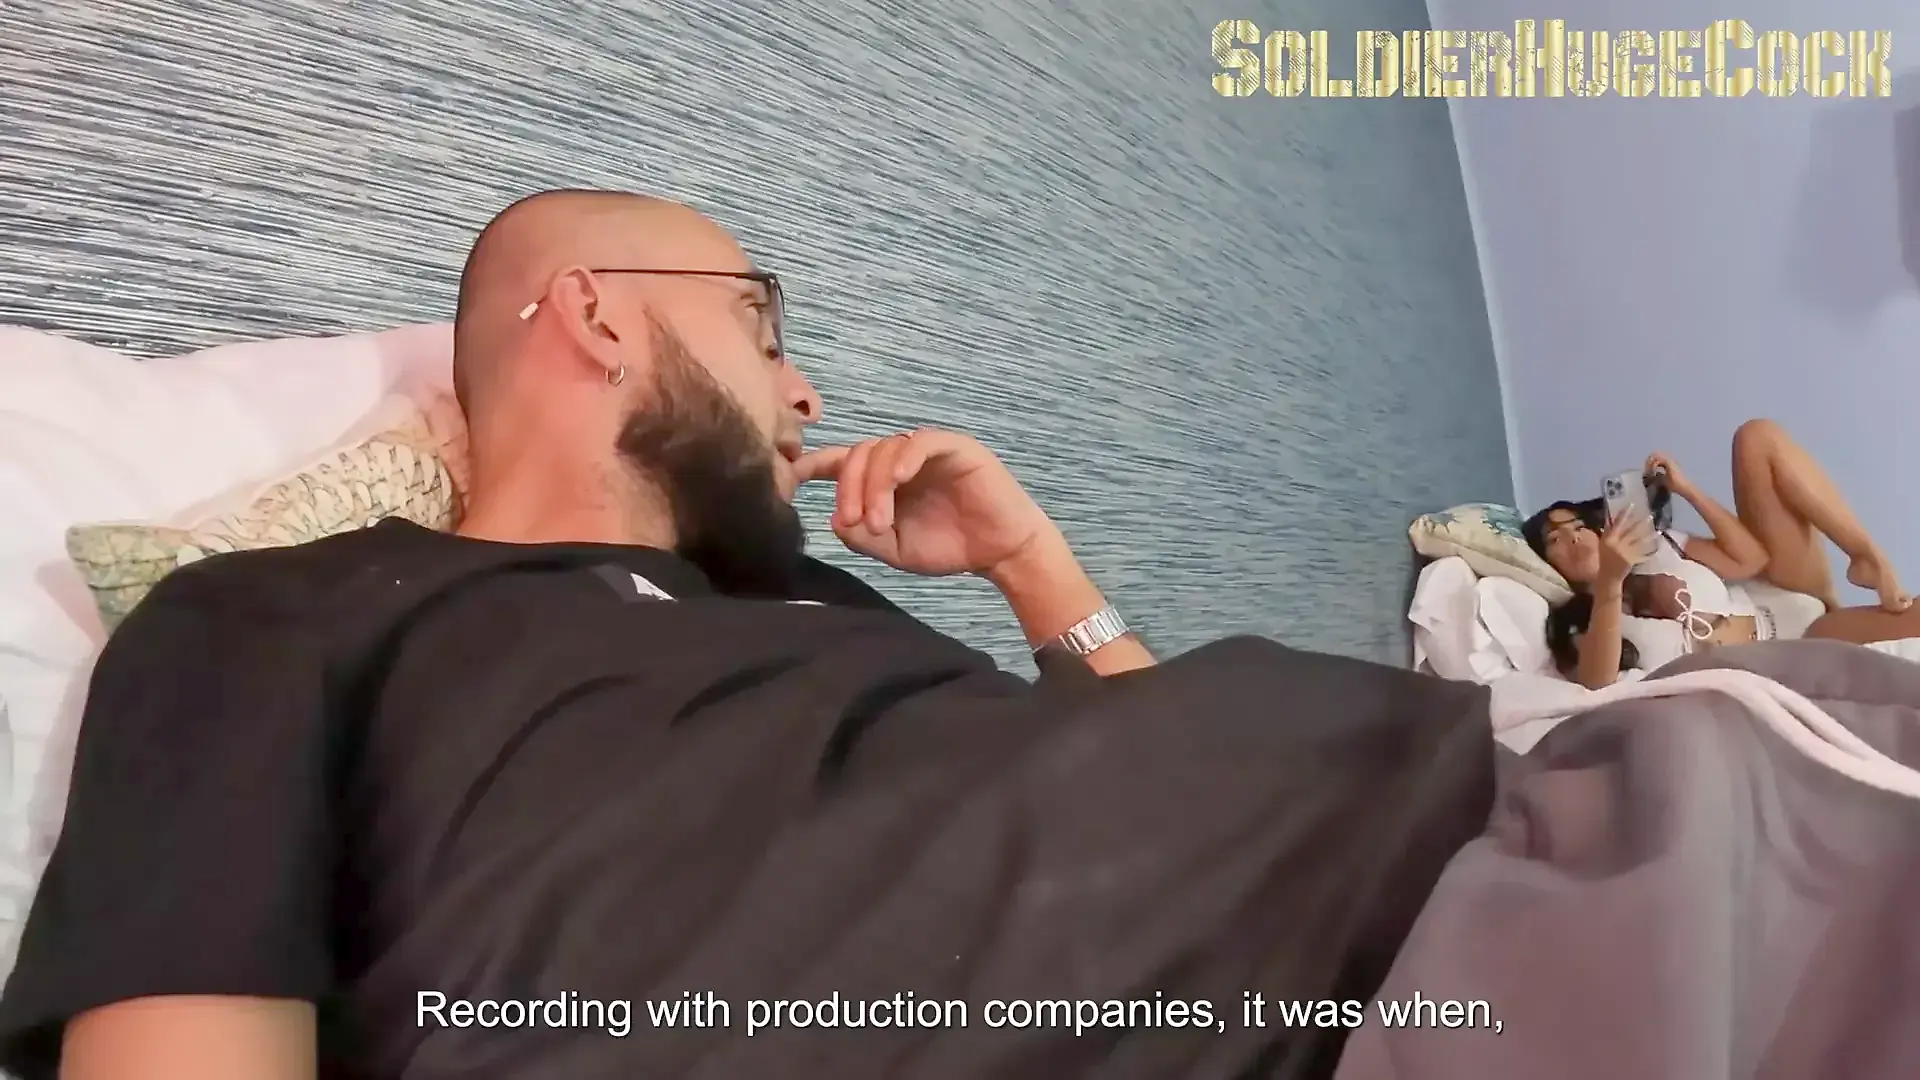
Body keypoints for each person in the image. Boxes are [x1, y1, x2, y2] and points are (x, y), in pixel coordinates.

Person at [0, 191, 1495, 1080]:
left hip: (1442, 862)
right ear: (596, 318)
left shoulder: (812, 610)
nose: (806, 394)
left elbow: (1174, 784)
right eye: (764, 324)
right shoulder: (273, 612)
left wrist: (1033, 569)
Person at [1522, 423, 1917, 689]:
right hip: (1796, 650)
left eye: (1577, 526)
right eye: (1555, 539)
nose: (1573, 538)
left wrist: (1688, 489)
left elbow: (1751, 560)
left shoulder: (1659, 546)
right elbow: (1597, 682)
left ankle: (1868, 557)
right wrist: (1610, 581)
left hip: (1784, 597)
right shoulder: (1583, 619)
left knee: (1756, 437)